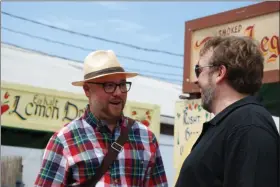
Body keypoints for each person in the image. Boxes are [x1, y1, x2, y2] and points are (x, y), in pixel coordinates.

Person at [34, 50, 168, 187]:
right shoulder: (64, 141)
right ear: (87, 90)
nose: (118, 93)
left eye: (122, 84)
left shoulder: (146, 138)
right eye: (109, 85)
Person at [175, 36, 280, 187]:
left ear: (219, 73)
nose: (196, 80)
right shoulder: (235, 123)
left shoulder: (249, 125)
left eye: (198, 70)